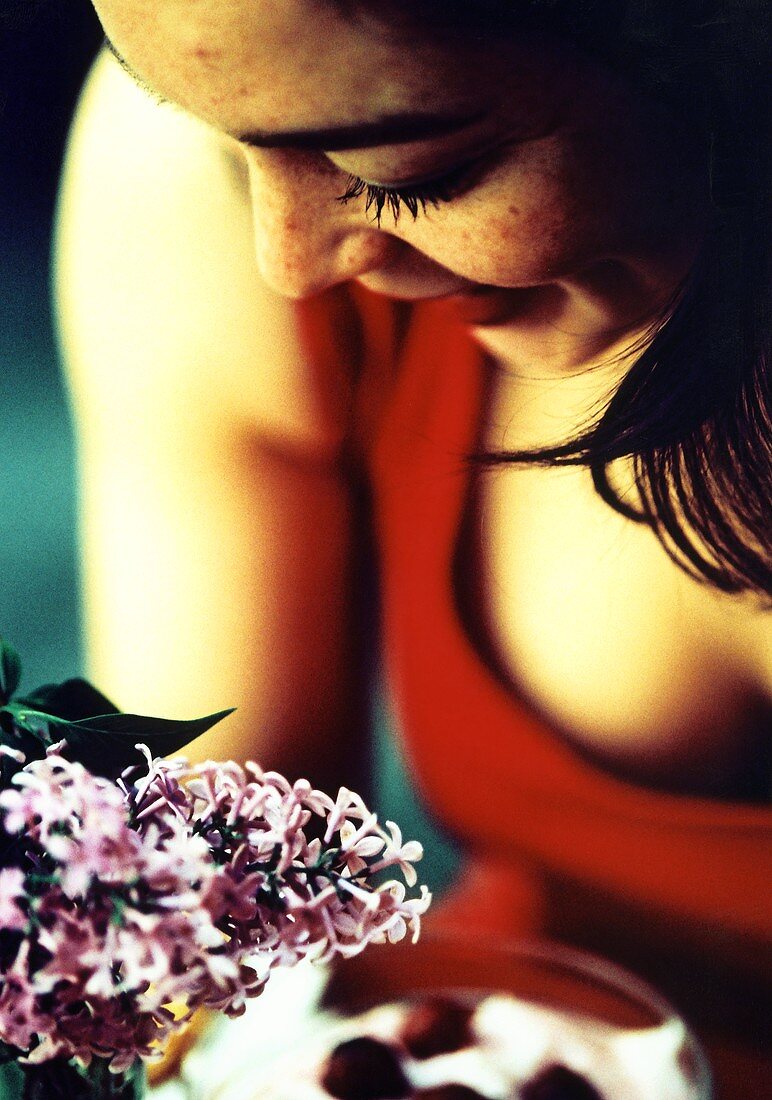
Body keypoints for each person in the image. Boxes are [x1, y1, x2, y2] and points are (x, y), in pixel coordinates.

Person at [54, 1, 769, 1093]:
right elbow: (194, 944)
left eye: (416, 171)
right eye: (221, 133)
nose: (288, 263)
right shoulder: (218, 146)